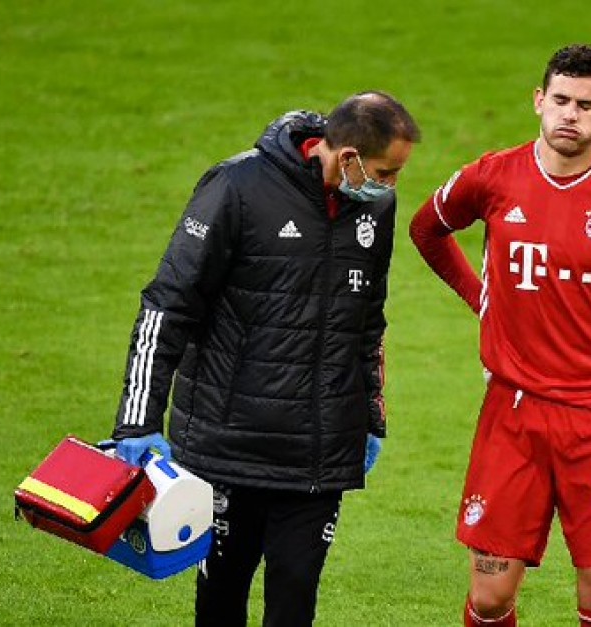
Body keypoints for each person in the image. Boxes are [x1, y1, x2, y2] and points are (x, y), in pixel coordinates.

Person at [409, 44, 591, 627]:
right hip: (513, 412)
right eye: (562, 100)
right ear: (539, 101)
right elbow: (427, 229)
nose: (571, 114)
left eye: (586, 105)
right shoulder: (493, 176)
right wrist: (481, 299)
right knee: (489, 596)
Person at [109, 92, 420, 626]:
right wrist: (137, 420)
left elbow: (368, 320)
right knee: (221, 601)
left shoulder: (376, 209)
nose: (391, 186)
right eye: (385, 172)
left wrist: (370, 417)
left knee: (295, 600)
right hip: (228, 446)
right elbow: (168, 305)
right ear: (348, 158)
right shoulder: (236, 187)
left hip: (319, 453)